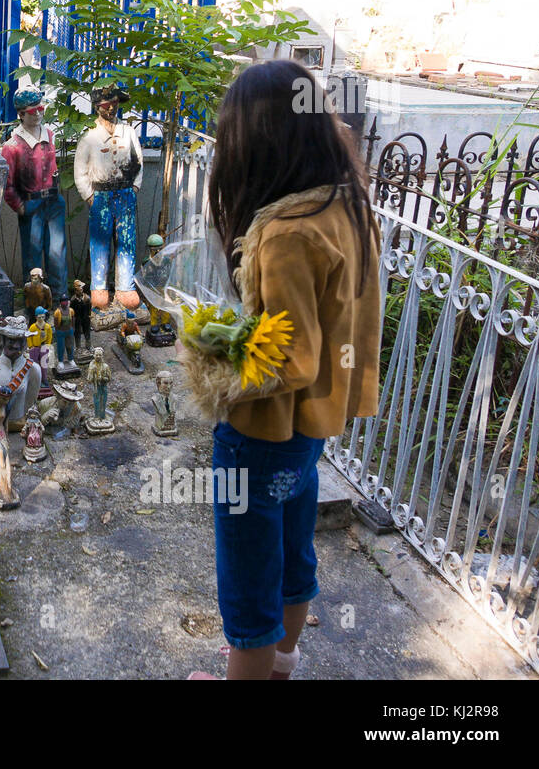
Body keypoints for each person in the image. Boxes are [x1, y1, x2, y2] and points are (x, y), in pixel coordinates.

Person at [192, 59, 381, 681]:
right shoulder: (348, 207)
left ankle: (252, 668)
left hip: (260, 436)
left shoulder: (284, 232)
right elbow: (332, 333)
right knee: (295, 557)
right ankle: (281, 668)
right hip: (311, 430)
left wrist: (211, 359)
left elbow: (290, 358)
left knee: (249, 589)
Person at [73, 84, 142, 311]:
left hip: (125, 194)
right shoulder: (90, 138)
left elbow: (138, 162)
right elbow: (80, 171)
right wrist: (89, 196)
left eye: (114, 104)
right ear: (97, 108)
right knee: (100, 242)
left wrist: (135, 188)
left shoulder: (129, 132)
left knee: (126, 240)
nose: (110, 109)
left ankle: (125, 287)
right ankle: (99, 287)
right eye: (105, 106)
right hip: (100, 195)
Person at [0, 88, 67, 299]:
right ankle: (35, 302)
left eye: (41, 108)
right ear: (21, 114)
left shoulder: (49, 134)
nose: (38, 113)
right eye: (32, 111)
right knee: (32, 258)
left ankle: (59, 299)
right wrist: (20, 207)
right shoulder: (12, 146)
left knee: (57, 253)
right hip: (31, 204)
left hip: (54, 201)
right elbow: (7, 184)